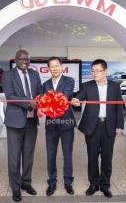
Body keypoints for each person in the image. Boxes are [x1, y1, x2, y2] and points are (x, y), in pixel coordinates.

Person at [71, 59, 124, 198]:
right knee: (92, 157)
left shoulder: (114, 86)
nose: (94, 73)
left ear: (105, 71)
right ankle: (94, 184)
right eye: (92, 71)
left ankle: (105, 185)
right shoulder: (87, 86)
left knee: (107, 157)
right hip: (92, 127)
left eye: (97, 71)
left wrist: (119, 125)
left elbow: (119, 106)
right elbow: (79, 98)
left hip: (109, 126)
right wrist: (76, 101)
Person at [2, 49, 42, 202]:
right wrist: (28, 103)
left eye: (27, 59)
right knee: (14, 158)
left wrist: (41, 100)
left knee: (28, 156)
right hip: (14, 123)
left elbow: (39, 92)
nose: (24, 62)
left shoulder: (34, 74)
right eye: (21, 59)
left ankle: (26, 183)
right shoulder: (8, 75)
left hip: (32, 122)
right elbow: (10, 96)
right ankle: (15, 187)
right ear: (15, 59)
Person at [42, 57, 76, 196]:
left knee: (67, 154)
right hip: (51, 124)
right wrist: (49, 101)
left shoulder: (69, 81)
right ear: (48, 69)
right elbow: (45, 102)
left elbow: (65, 97)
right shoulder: (45, 84)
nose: (55, 68)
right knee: (51, 154)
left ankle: (68, 182)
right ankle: (52, 182)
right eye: (52, 66)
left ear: (62, 67)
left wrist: (49, 101)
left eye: (57, 65)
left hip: (66, 122)